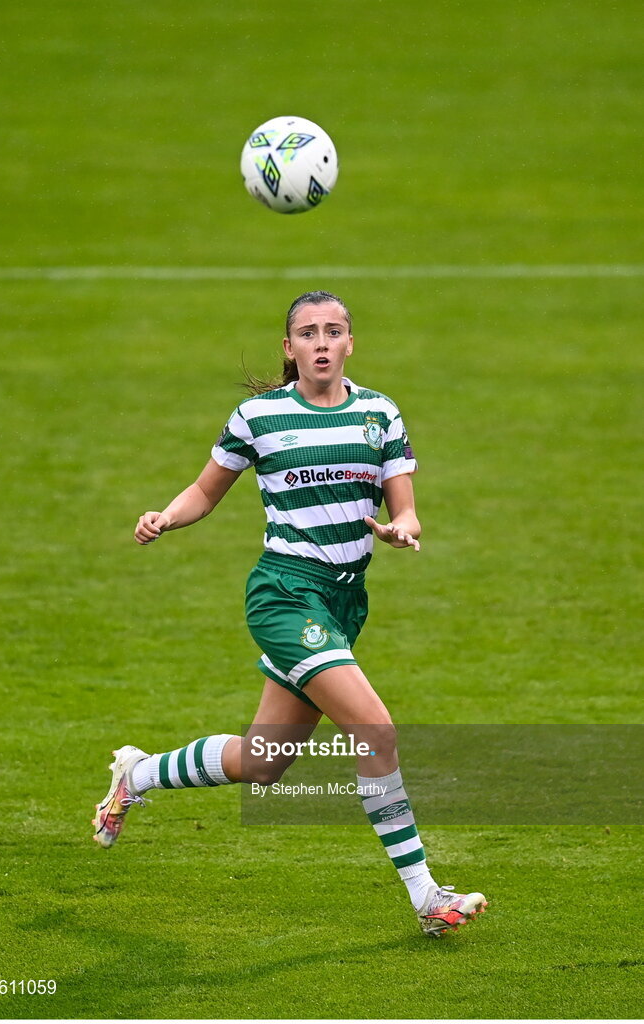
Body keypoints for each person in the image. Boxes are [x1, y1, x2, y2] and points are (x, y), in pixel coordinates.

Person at [92, 290, 487, 938]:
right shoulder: (259, 417)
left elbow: (407, 506)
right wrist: (166, 515)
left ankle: (136, 774)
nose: (322, 342)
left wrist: (402, 529)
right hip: (283, 594)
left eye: (334, 331)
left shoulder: (379, 414)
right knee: (376, 729)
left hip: (342, 601)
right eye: (308, 332)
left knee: (264, 761)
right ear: (289, 348)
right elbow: (204, 489)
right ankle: (426, 897)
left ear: (350, 343)